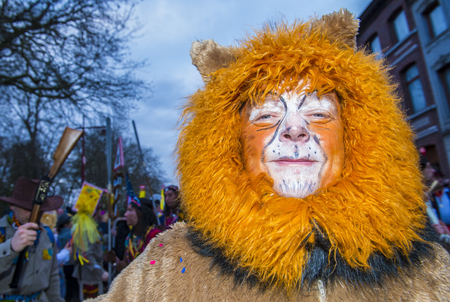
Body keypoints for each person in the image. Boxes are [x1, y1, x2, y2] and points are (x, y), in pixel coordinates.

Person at [91, 9, 450, 301]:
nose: (295, 129)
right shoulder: (168, 268)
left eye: (318, 114)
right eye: (266, 117)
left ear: (355, 134)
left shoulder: (432, 269)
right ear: (229, 144)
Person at [0, 177, 64, 302]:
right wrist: (11, 247)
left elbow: (53, 276)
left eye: (40, 209)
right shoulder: (1, 231)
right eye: (28, 209)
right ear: (13, 205)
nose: (35, 214)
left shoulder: (47, 234)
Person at [104, 198, 161, 272]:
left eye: (130, 210)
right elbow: (126, 267)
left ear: (140, 213)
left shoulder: (155, 236)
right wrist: (114, 260)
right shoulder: (130, 238)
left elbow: (159, 266)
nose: (125, 214)